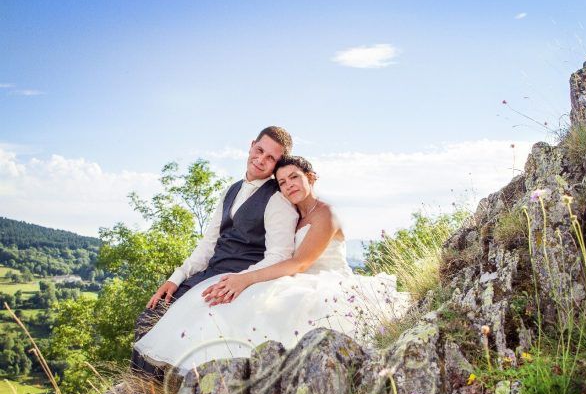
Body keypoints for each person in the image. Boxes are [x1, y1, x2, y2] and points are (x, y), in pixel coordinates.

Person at [133, 156, 410, 376]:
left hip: (322, 280)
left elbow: (300, 263)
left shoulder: (326, 213)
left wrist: (246, 279)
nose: (288, 185)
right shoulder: (296, 215)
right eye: (282, 182)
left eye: (294, 178)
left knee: (263, 307)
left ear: (311, 178)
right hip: (293, 277)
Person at [130, 126, 299, 377]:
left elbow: (280, 255)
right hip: (209, 274)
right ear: (251, 145)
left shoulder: (277, 199)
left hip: (234, 283)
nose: (261, 159)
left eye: (271, 158)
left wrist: (242, 279)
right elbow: (208, 244)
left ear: (277, 164)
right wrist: (175, 278)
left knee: (171, 327)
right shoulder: (231, 189)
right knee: (150, 315)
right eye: (259, 150)